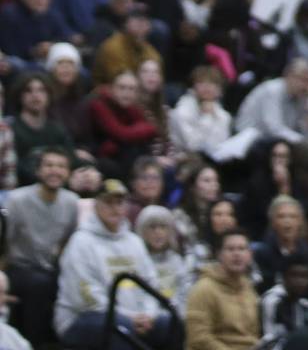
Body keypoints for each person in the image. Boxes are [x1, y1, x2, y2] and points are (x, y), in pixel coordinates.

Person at [54, 178, 171, 348]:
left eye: (120, 203)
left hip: (132, 318)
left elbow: (151, 283)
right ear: (96, 206)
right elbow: (87, 298)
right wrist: (130, 317)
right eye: (108, 203)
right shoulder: (80, 242)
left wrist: (149, 314)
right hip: (79, 319)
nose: (115, 208)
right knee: (120, 327)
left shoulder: (134, 241)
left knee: (169, 323)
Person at [6, 147, 78, 347]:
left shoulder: (72, 202)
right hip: (18, 267)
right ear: (38, 171)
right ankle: (34, 344)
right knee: (40, 283)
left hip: (49, 266)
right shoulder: (17, 200)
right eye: (49, 165)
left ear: (68, 172)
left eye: (61, 166)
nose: (55, 171)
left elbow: (67, 242)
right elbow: (3, 243)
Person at [184, 229, 259, 350]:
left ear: (250, 255)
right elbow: (198, 338)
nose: (237, 254)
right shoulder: (204, 289)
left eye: (241, 249)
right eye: (230, 249)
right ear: (219, 254)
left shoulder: (249, 289)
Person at [252, 194, 308, 300]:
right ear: (273, 222)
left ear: (300, 222)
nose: (287, 221)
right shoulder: (261, 254)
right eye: (281, 216)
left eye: (292, 216)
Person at [234, 58, 308, 145]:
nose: (306, 86)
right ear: (289, 76)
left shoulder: (302, 97)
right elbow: (274, 129)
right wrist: (303, 143)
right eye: (303, 80)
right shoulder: (272, 90)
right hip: (248, 140)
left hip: (274, 143)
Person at [89, 70, 158, 178]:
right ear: (112, 89)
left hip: (119, 154)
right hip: (99, 157)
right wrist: (147, 128)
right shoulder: (98, 104)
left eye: (131, 89)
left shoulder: (131, 107)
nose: (127, 93)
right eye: (122, 87)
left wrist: (116, 144)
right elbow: (121, 134)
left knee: (140, 149)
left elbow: (150, 130)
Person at [11, 73, 77, 180]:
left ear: (49, 95)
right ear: (19, 96)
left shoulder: (57, 129)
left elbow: (72, 160)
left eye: (41, 90)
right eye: (28, 90)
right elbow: (14, 169)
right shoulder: (11, 130)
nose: (35, 95)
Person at [0, 0, 69, 71]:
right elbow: (9, 49)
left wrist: (52, 46)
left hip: (47, 62)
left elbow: (64, 39)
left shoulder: (54, 16)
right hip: (18, 63)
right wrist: (34, 51)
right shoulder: (9, 14)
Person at [137, 206, 191, 313]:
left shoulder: (176, 260)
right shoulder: (138, 261)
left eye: (163, 227)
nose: (158, 232)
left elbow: (185, 292)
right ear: (142, 231)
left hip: (176, 316)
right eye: (152, 227)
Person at [170, 65, 233, 158]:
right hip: (185, 159)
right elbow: (194, 146)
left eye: (212, 83)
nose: (207, 87)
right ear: (193, 87)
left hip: (215, 161)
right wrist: (207, 117)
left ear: (219, 90)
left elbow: (221, 145)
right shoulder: (181, 112)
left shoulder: (224, 116)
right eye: (201, 82)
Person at [261, 254, 308, 341]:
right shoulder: (273, 300)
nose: (300, 281)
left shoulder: (306, 305)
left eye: (304, 276)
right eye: (294, 275)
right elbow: (269, 340)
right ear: (284, 277)